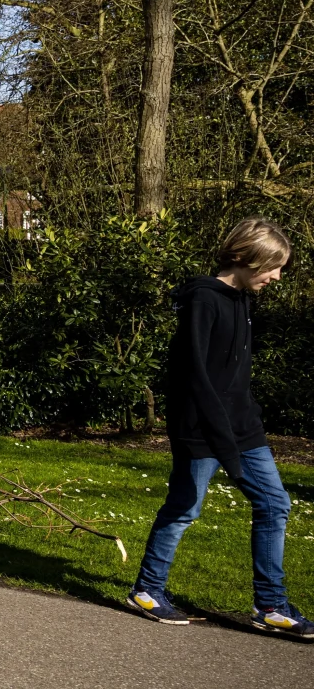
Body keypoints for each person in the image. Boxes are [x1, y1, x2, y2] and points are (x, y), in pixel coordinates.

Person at [127, 218, 310, 638]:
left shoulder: (243, 297)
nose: (277, 276)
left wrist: (247, 417)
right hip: (201, 428)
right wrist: (221, 441)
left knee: (275, 504)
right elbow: (194, 376)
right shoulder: (204, 300)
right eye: (273, 266)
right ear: (246, 258)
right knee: (185, 507)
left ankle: (270, 605)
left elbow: (232, 374)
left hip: (243, 426)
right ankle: (148, 591)